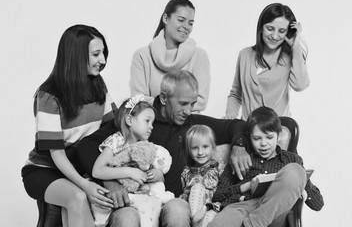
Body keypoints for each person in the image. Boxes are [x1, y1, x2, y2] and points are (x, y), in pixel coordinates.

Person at [76, 70, 249, 227]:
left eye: (193, 104)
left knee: (178, 211)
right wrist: (111, 181)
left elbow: (236, 125)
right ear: (165, 98)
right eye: (183, 104)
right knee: (126, 218)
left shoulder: (192, 123)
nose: (189, 111)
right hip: (135, 201)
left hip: (170, 200)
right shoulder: (140, 118)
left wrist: (239, 146)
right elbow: (86, 146)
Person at [21, 24, 120, 227]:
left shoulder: (98, 85)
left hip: (84, 168)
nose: (102, 60)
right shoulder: (49, 96)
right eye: (96, 54)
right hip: (45, 170)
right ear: (76, 56)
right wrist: (85, 184)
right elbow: (57, 155)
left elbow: (113, 128)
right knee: (78, 197)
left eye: (103, 53)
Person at [209, 106, 324, 227]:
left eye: (269, 137)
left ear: (278, 135)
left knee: (295, 171)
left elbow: (318, 204)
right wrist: (245, 187)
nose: (263, 144)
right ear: (249, 136)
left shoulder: (291, 159)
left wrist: (303, 180)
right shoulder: (241, 157)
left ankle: (253, 224)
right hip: (241, 207)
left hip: (274, 211)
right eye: (257, 138)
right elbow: (217, 196)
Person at [91, 95, 173, 227]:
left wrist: (157, 175)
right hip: (121, 201)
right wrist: (130, 172)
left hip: (140, 198)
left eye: (152, 123)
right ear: (129, 120)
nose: (151, 127)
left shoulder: (145, 146)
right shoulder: (117, 140)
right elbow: (97, 170)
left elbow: (149, 170)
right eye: (147, 121)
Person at [224, 3, 310, 120]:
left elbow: (300, 85)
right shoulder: (245, 54)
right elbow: (235, 93)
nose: (274, 36)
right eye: (270, 29)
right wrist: (230, 116)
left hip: (278, 132)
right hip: (249, 131)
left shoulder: (289, 57)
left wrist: (296, 44)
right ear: (261, 27)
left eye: (281, 31)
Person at [130, 0, 210, 113]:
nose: (186, 27)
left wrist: (162, 104)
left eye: (190, 23)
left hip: (188, 126)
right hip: (152, 126)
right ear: (166, 18)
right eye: (181, 20)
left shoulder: (199, 56)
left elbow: (201, 101)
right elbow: (139, 100)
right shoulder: (142, 56)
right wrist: (179, 104)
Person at [180, 125, 225, 227]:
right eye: (195, 148)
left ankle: (198, 223)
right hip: (192, 208)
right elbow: (184, 192)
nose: (200, 152)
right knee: (197, 187)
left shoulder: (218, 167)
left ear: (213, 147)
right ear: (189, 150)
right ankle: (196, 219)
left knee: (209, 217)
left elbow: (225, 186)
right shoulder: (186, 171)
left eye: (205, 147)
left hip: (212, 207)